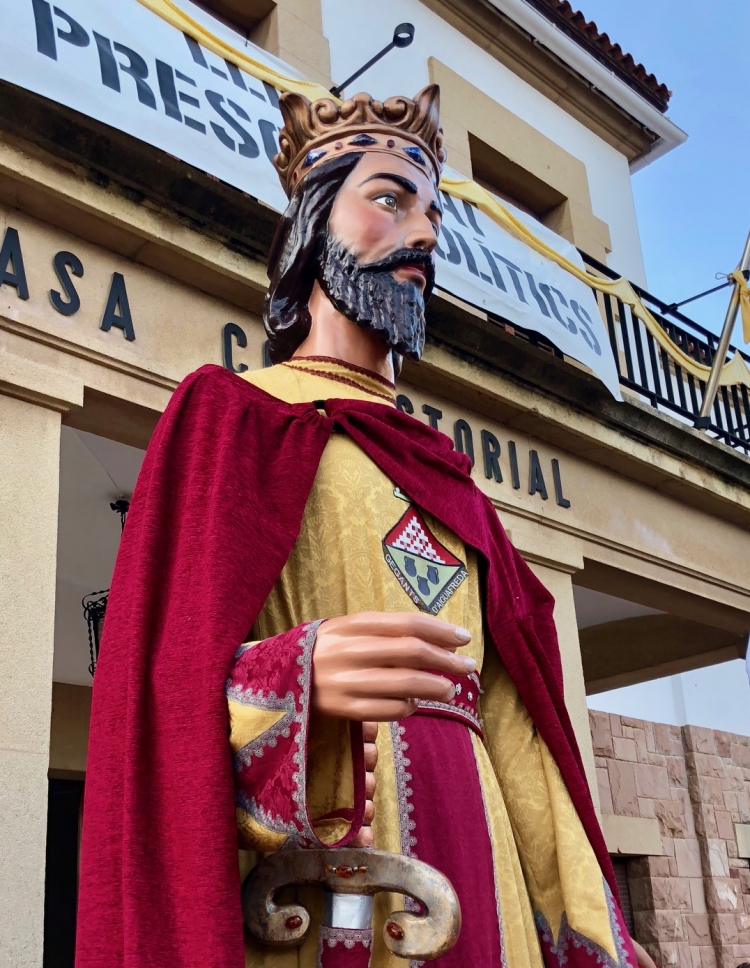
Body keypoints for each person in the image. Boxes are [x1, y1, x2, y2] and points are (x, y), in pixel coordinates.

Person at [76, 86, 644, 968]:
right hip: (323, 894)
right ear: (314, 227)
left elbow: (520, 732)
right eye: (389, 200)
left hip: (479, 876)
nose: (424, 235)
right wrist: (289, 677)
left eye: (432, 213)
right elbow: (157, 691)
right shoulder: (235, 419)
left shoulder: (455, 488)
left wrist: (590, 925)